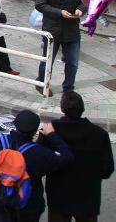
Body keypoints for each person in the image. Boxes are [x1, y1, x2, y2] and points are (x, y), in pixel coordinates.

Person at [0, 110, 74, 222]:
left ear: (15, 125)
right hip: (29, 205)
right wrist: (52, 135)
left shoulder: (0, 141)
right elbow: (67, 157)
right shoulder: (39, 153)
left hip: (2, 199)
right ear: (34, 131)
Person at [45, 92, 113, 222]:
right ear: (82, 109)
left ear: (62, 109)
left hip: (58, 197)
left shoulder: (51, 131)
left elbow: (43, 162)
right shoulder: (100, 134)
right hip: (88, 198)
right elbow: (107, 169)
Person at [35, 0, 82, 93]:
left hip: (71, 29)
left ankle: (68, 88)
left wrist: (80, 10)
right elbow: (40, 5)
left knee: (72, 62)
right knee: (47, 60)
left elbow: (85, 1)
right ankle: (41, 83)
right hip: (52, 29)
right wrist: (59, 12)